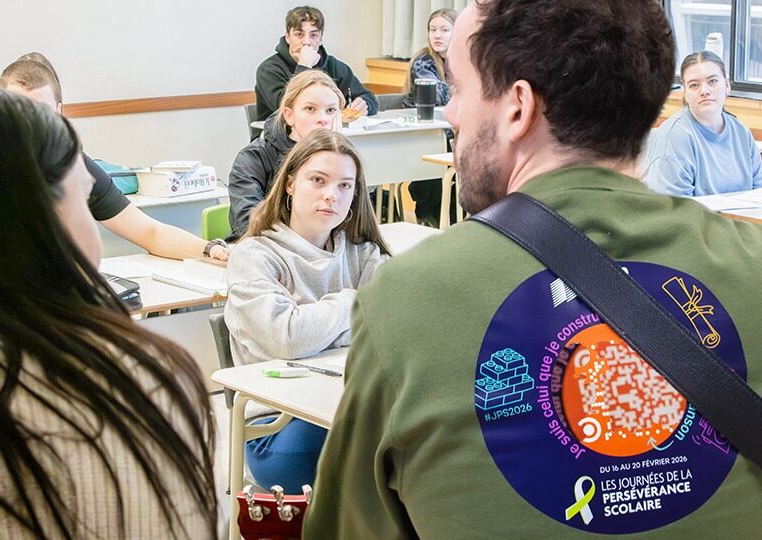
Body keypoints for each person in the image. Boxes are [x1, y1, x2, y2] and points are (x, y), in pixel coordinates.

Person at [304, 0, 762, 537]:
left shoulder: (404, 297)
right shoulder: (753, 265)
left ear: (517, 108)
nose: (451, 114)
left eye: (457, 90)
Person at [0, 84, 216, 538]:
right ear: (34, 219)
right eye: (79, 198)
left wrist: (211, 248)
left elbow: (150, 231)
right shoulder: (143, 378)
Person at [224, 129, 390, 492]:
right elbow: (288, 338)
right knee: (389, 442)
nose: (332, 194)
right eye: (318, 180)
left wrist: (313, 322)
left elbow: (392, 323)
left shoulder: (364, 252)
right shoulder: (254, 256)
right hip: (279, 427)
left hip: (348, 401)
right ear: (289, 184)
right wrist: (355, 300)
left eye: (346, 186)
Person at [0, 56, 229, 261]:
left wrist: (210, 249)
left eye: (41, 112)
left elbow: (150, 233)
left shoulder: (74, 166)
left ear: (59, 111)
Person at [228, 70, 344, 241]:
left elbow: (353, 223)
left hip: (320, 254)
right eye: (310, 109)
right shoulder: (252, 158)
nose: (322, 119)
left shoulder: (343, 161)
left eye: (331, 110)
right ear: (289, 116)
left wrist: (334, 156)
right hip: (264, 252)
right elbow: (249, 225)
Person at [644, 51, 762, 196]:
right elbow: (672, 211)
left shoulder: (741, 133)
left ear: (727, 85)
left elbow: (758, 192)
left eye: (712, 81)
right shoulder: (676, 138)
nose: (704, 91)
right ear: (685, 93)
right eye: (694, 85)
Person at [254, 5, 378, 122]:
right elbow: (286, 108)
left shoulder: (334, 66)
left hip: (325, 137)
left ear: (320, 39)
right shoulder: (269, 69)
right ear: (288, 37)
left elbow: (369, 98)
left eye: (313, 35)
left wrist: (364, 104)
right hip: (278, 139)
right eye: (299, 34)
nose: (306, 42)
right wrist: (304, 66)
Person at [403, 8, 458, 227]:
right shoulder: (423, 62)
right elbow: (438, 94)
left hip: (450, 132)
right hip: (421, 135)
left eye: (444, 30)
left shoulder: (465, 59)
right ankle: (430, 216)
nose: (437, 35)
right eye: (433, 30)